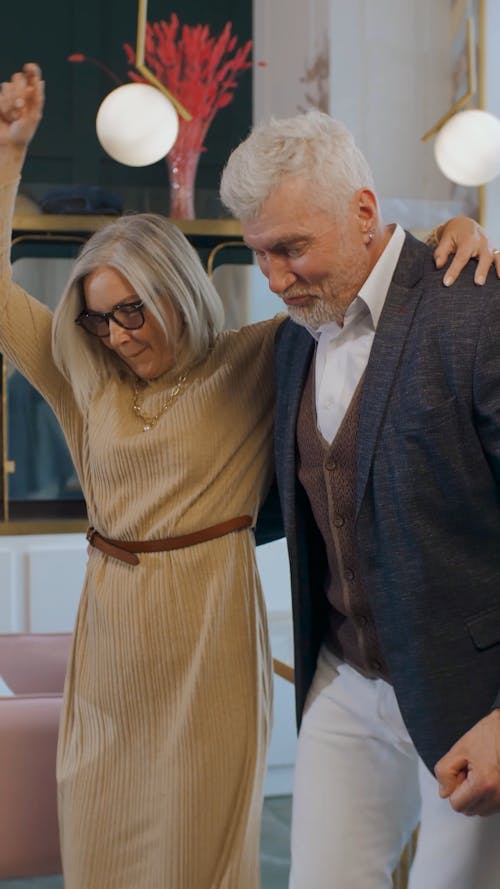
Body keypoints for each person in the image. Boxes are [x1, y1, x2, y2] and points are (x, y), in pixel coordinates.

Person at [0, 65, 494, 889]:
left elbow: (382, 290)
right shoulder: (86, 375)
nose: (116, 334)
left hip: (218, 648)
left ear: (177, 295)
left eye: (134, 309)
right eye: (97, 313)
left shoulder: (263, 353)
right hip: (134, 653)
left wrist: (457, 230)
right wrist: (8, 153)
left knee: (205, 856)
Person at [220, 110, 500, 889]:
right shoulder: (288, 345)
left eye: (291, 248)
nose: (273, 279)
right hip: (344, 680)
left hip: (474, 693)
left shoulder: (478, 308)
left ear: (365, 212)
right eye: (259, 252)